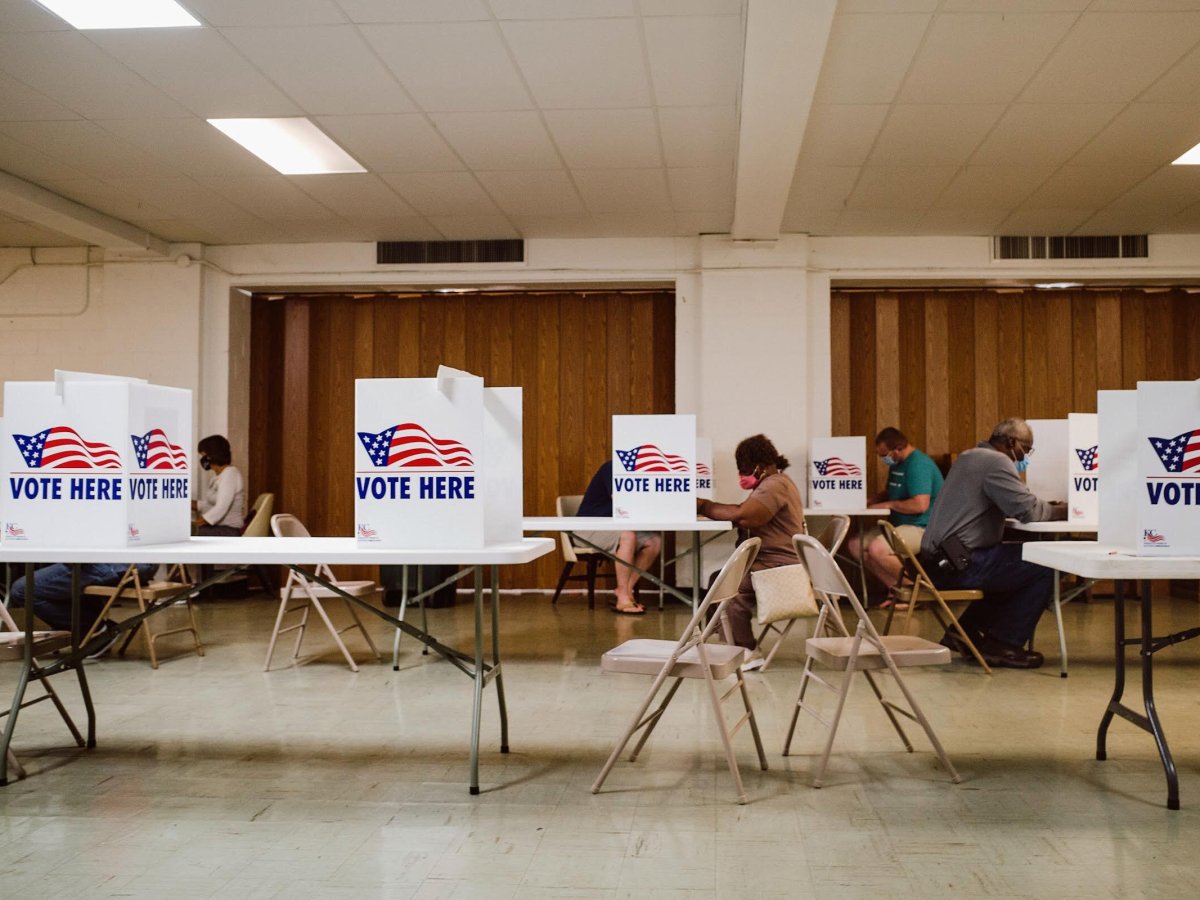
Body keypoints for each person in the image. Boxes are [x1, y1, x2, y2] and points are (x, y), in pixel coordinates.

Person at [919, 417, 1067, 669]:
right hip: (959, 565)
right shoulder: (996, 461)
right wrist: (1066, 510)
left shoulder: (969, 456)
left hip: (938, 562)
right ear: (1011, 442)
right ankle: (1003, 643)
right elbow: (1028, 511)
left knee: (1016, 565)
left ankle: (965, 631)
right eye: (1026, 449)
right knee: (1046, 564)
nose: (1025, 456)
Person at [696, 434, 806, 670]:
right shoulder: (774, 483)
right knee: (718, 578)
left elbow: (745, 515)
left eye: (745, 468)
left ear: (761, 465)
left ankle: (747, 649)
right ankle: (727, 643)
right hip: (772, 561)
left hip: (780, 566)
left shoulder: (775, 485)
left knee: (730, 587)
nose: (742, 474)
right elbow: (743, 511)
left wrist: (703, 505)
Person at [846, 427, 944, 600]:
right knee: (856, 545)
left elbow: (920, 505)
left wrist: (888, 504)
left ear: (897, 449)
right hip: (898, 525)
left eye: (884, 454)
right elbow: (891, 492)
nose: (883, 459)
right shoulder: (898, 464)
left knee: (878, 548)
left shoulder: (918, 465)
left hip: (923, 527)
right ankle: (895, 590)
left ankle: (912, 593)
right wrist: (872, 501)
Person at [7, 563, 156, 657]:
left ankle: (94, 631)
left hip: (117, 562)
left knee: (23, 590)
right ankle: (92, 629)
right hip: (137, 561)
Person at [576, 459, 662, 615]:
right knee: (628, 536)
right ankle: (623, 597)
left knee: (653, 542)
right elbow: (622, 500)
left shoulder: (647, 471)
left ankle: (625, 590)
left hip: (615, 526)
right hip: (588, 527)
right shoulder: (613, 467)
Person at [193, 434, 246, 536]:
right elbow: (210, 505)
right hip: (219, 527)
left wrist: (193, 525)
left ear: (212, 455)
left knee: (186, 533)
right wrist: (188, 504)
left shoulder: (230, 474)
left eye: (203, 455)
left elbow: (221, 508)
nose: (203, 459)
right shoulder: (218, 476)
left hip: (229, 530)